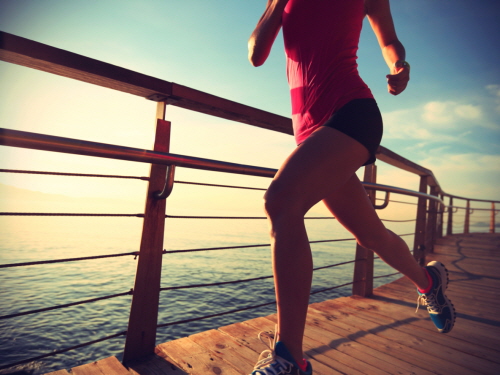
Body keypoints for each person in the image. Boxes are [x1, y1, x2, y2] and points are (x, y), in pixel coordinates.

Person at [247, 1, 456, 374]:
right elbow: (256, 54)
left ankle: (290, 357)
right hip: (311, 129)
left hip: (353, 112)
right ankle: (429, 281)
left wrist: (399, 66)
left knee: (281, 200)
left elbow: (390, 40)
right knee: (370, 235)